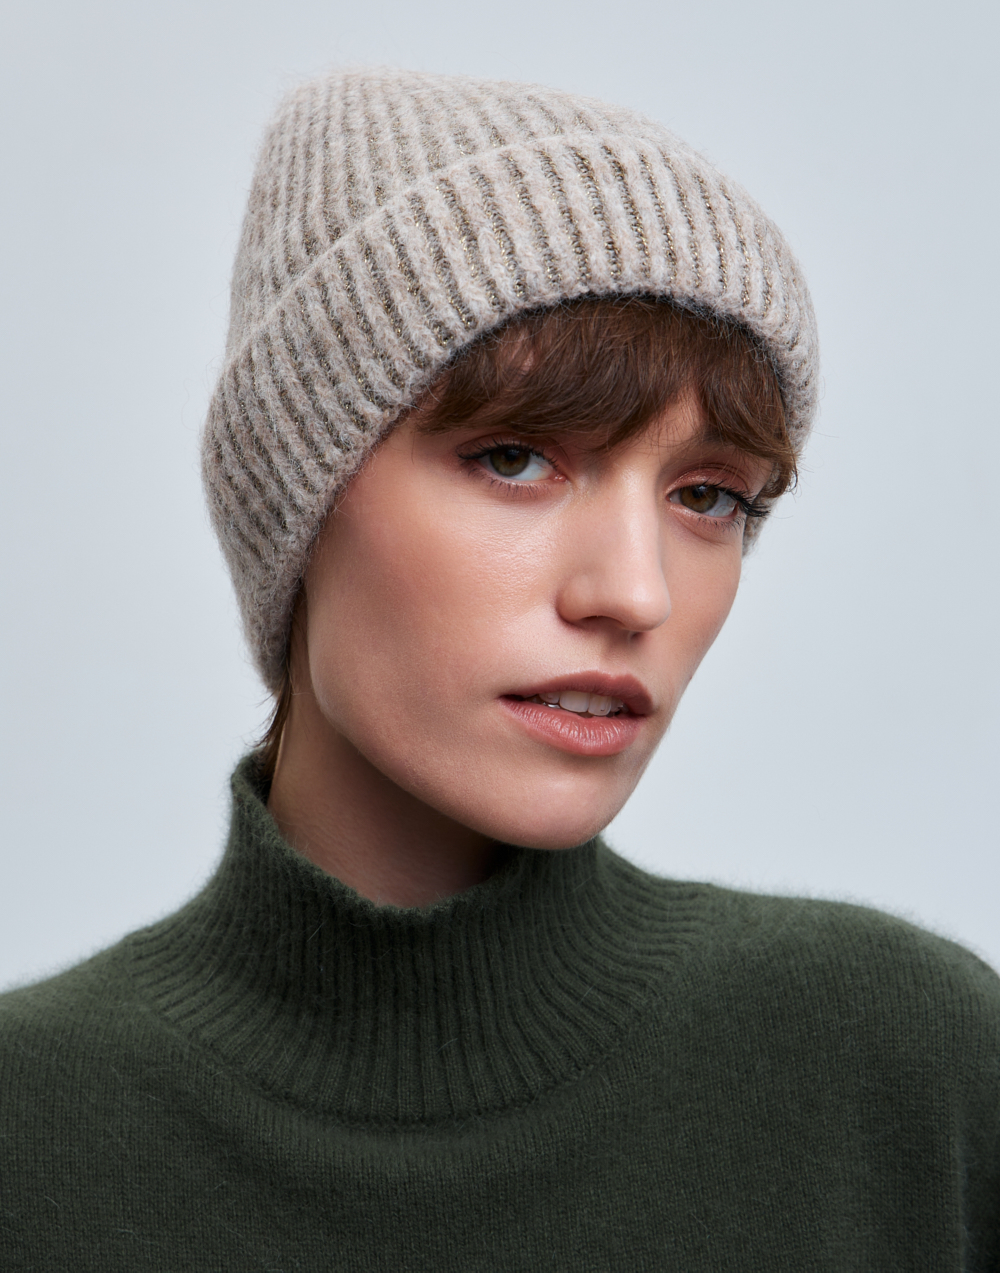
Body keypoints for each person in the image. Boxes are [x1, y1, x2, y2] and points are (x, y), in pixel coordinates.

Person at [1, 68, 997, 1271]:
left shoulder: (895, 1063)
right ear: (296, 500)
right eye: (515, 458)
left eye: (707, 496)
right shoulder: (32, 1128)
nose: (635, 591)